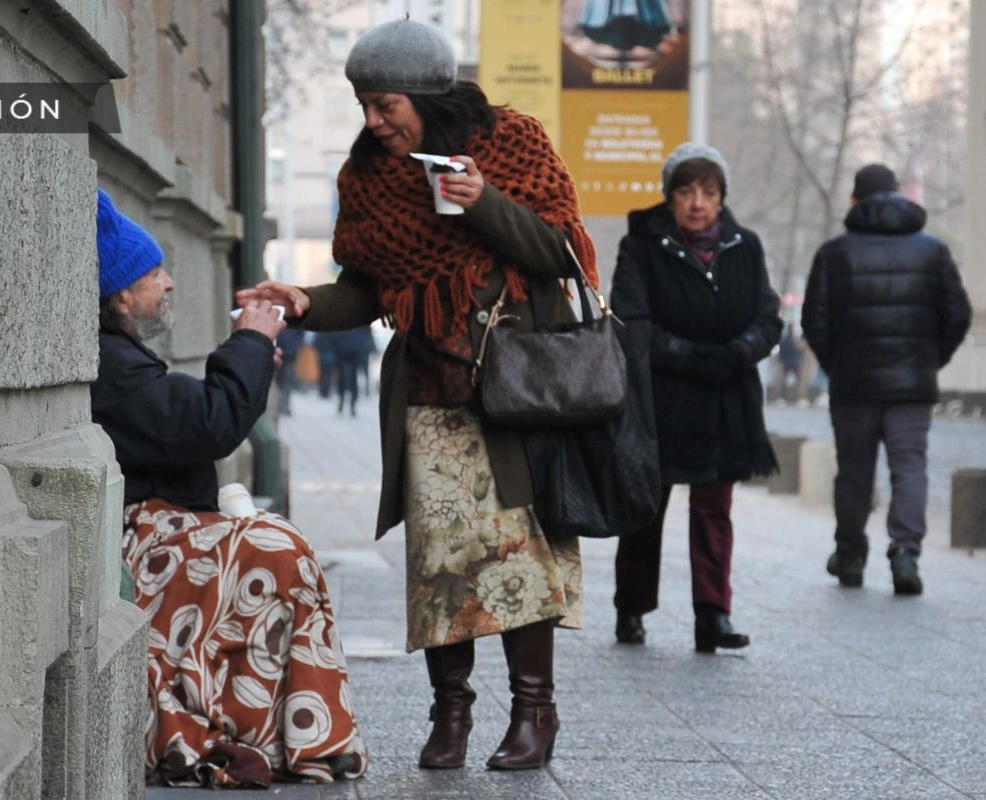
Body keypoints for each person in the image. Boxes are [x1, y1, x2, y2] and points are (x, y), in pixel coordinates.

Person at [235, 18, 596, 772]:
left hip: (515, 392)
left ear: (429, 94)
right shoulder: (366, 179)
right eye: (364, 103)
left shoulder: (513, 142)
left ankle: (535, 711)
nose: (373, 121)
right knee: (443, 567)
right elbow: (366, 292)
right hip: (430, 396)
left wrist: (485, 201)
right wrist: (302, 301)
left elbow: (562, 250)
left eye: (386, 103)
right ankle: (451, 715)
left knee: (519, 556)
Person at [89, 190, 368, 788]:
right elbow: (207, 423)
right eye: (154, 274)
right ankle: (292, 733)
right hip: (137, 542)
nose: (169, 284)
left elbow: (192, 418)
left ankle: (287, 733)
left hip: (153, 529)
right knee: (276, 550)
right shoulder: (108, 361)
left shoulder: (117, 354)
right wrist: (250, 340)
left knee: (277, 550)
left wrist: (249, 350)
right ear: (120, 294)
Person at [609, 142, 782, 653]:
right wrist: (688, 356)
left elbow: (768, 317)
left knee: (714, 511)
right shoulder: (641, 244)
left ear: (722, 196)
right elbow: (631, 322)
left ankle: (714, 614)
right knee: (646, 508)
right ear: (670, 198)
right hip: (662, 398)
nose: (698, 202)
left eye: (708, 192)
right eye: (686, 191)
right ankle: (631, 609)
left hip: (726, 397)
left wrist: (740, 352)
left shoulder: (744, 245)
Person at [802, 164, 971, 595]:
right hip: (912, 385)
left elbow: (814, 322)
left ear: (854, 201)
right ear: (898, 194)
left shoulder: (835, 253)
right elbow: (958, 316)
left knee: (854, 473)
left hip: (853, 386)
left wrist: (837, 364)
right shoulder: (932, 252)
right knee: (909, 467)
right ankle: (905, 553)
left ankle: (851, 555)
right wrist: (929, 360)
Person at [276, 327, 305, 415]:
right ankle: (280, 405)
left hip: (290, 356)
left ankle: (285, 405)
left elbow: (300, 337)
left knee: (287, 382)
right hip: (279, 354)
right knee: (279, 382)